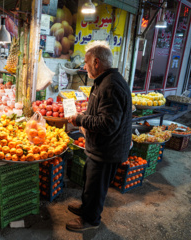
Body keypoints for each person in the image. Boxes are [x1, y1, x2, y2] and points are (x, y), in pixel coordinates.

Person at [66, 41, 132, 232]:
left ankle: (90, 220)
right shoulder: (104, 80)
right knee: (90, 182)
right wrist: (85, 117)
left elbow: (108, 124)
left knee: (96, 188)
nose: (83, 67)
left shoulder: (111, 85)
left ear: (96, 62)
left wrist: (80, 119)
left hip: (107, 149)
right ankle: (86, 209)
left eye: (86, 63)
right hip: (98, 147)